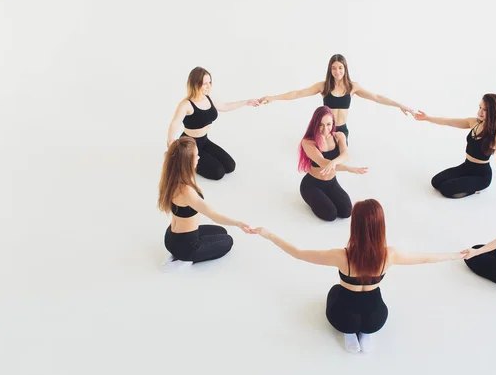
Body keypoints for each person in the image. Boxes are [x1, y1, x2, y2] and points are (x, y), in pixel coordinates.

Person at [253, 199, 465, 353]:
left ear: (355, 227)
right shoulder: (388, 255)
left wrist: (269, 235)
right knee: (371, 305)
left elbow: (298, 253)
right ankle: (367, 332)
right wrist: (455, 255)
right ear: (380, 227)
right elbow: (426, 258)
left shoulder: (341, 257)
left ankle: (349, 332)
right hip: (377, 318)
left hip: (342, 318)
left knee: (337, 291)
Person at [258, 54, 415, 143]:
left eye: (340, 67)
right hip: (325, 129)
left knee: (341, 155)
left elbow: (377, 97)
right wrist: (273, 97)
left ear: (345, 68)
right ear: (330, 70)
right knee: (324, 156)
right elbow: (298, 93)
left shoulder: (352, 87)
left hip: (341, 129)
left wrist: (399, 105)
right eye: (333, 68)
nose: (337, 71)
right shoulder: (323, 86)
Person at [158, 136, 254, 270]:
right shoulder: (187, 191)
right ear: (187, 161)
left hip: (172, 237)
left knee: (222, 231)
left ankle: (179, 253)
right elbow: (214, 215)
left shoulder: (171, 179)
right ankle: (185, 260)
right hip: (186, 246)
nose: (199, 158)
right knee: (228, 241)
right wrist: (238, 223)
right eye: (196, 155)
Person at [413, 94, 496, 198]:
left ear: (493, 112)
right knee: (436, 182)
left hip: (481, 175)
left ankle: (474, 190)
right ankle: (465, 183)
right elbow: (448, 121)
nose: (480, 111)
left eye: (485, 110)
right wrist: (427, 118)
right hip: (466, 167)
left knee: (446, 189)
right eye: (480, 107)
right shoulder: (474, 122)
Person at [166, 66, 260, 180]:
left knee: (230, 166)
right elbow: (174, 123)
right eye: (205, 83)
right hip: (190, 145)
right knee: (218, 173)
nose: (208, 86)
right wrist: (170, 141)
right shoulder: (186, 104)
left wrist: (246, 102)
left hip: (204, 141)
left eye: (210, 82)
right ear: (195, 83)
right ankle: (184, 161)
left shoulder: (209, 97)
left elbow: (224, 106)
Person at [298, 106, 367, 221]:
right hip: (312, 185)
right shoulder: (308, 142)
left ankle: (326, 197)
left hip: (331, 183)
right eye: (321, 124)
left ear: (333, 123)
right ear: (315, 124)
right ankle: (314, 198)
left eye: (328, 124)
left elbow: (346, 155)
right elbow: (323, 162)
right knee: (330, 215)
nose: (325, 129)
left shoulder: (339, 136)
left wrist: (334, 162)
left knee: (346, 211)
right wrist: (348, 168)